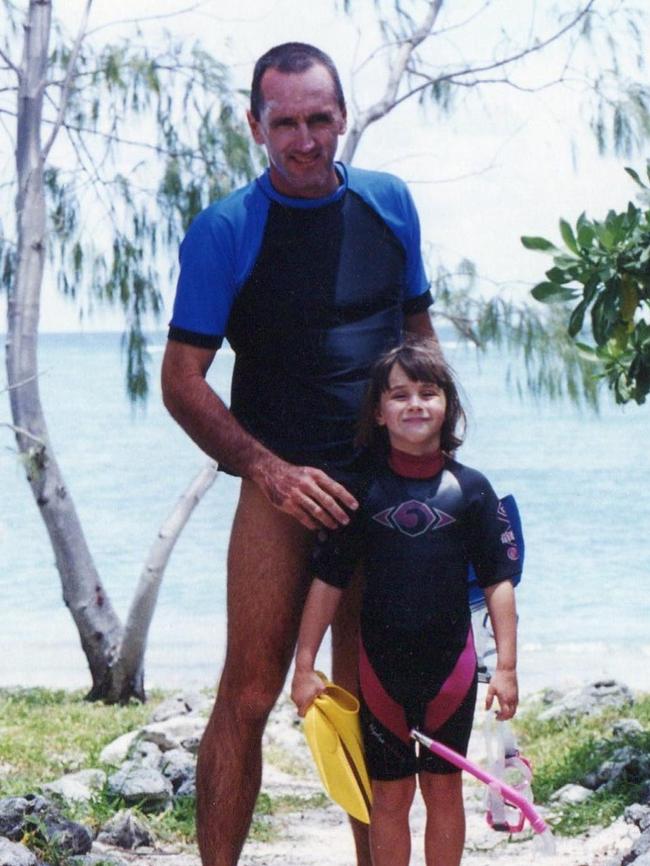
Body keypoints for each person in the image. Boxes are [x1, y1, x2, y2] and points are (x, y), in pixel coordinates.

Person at [161, 42, 435, 866]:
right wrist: (266, 470)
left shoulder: (390, 205)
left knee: (370, 703)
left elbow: (418, 334)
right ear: (256, 125)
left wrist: (437, 465)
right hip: (279, 491)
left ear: (343, 117)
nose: (306, 139)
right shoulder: (226, 230)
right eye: (287, 122)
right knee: (247, 697)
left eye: (321, 119)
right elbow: (182, 381)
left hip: (382, 493)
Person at [291, 337, 520, 866]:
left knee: (444, 792)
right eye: (399, 395)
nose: (414, 404)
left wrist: (505, 668)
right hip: (380, 672)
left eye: (427, 392)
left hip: (453, 672)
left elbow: (498, 585)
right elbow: (328, 583)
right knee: (389, 798)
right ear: (378, 411)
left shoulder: (472, 490)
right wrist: (304, 667)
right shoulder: (361, 491)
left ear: (448, 406)